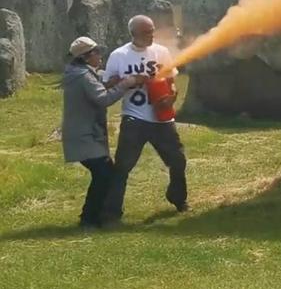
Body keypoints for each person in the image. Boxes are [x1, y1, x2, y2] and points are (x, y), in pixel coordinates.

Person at [102, 15, 187, 223]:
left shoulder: (161, 52)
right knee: (122, 167)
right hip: (134, 119)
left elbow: (171, 80)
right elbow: (107, 85)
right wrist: (129, 81)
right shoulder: (119, 55)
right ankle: (112, 212)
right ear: (134, 34)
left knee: (178, 160)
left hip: (162, 120)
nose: (151, 35)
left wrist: (172, 95)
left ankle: (178, 198)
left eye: (152, 30)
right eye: (146, 32)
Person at [60, 37, 140, 228]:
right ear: (87, 57)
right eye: (97, 53)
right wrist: (125, 84)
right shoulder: (83, 76)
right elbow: (102, 99)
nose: (100, 56)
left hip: (83, 134)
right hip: (85, 135)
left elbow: (95, 90)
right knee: (104, 173)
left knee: (104, 174)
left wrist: (112, 83)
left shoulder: (80, 73)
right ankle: (89, 219)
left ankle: (95, 216)